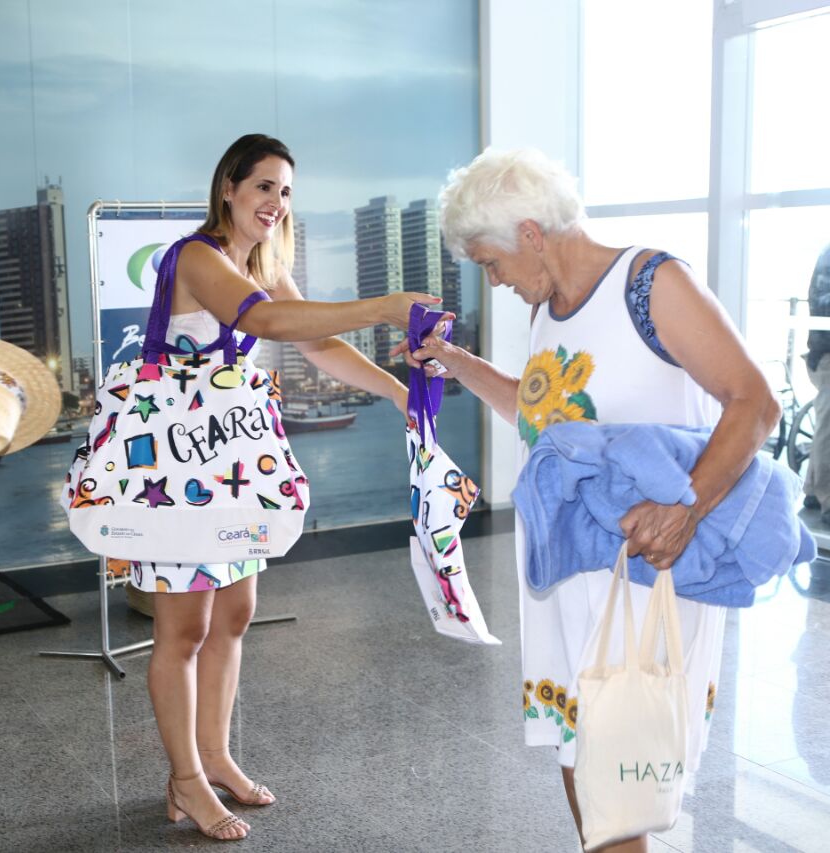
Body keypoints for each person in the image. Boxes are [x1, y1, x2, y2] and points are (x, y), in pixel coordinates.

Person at [406, 148, 779, 852]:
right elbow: (541, 413)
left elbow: (755, 402)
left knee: (616, 765)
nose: (497, 281)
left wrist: (687, 506)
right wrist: (457, 363)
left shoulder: (651, 282)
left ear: (530, 233)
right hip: (571, 572)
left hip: (643, 568)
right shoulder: (552, 306)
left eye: (492, 263)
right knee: (585, 762)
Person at [139, 133, 442, 840]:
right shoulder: (198, 257)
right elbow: (266, 321)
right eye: (264, 187)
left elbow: (314, 343)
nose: (276, 202)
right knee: (182, 627)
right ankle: (183, 780)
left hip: (228, 460)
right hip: (174, 464)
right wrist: (384, 305)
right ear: (228, 189)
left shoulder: (264, 263)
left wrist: (398, 391)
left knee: (235, 613)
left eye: (286, 192)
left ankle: (214, 757)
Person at [802, 244, 830, 521]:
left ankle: (812, 489)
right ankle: (828, 497)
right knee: (829, 428)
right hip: (827, 355)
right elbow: (823, 304)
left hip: (822, 351)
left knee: (826, 425)